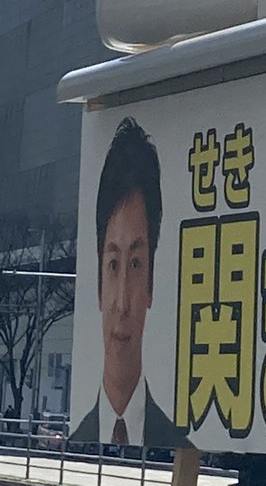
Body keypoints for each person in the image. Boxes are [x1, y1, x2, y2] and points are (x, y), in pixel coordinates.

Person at [69, 117, 192, 450]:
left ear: (151, 283)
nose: (122, 303)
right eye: (113, 265)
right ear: (98, 282)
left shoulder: (175, 442)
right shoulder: (77, 442)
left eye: (136, 264)